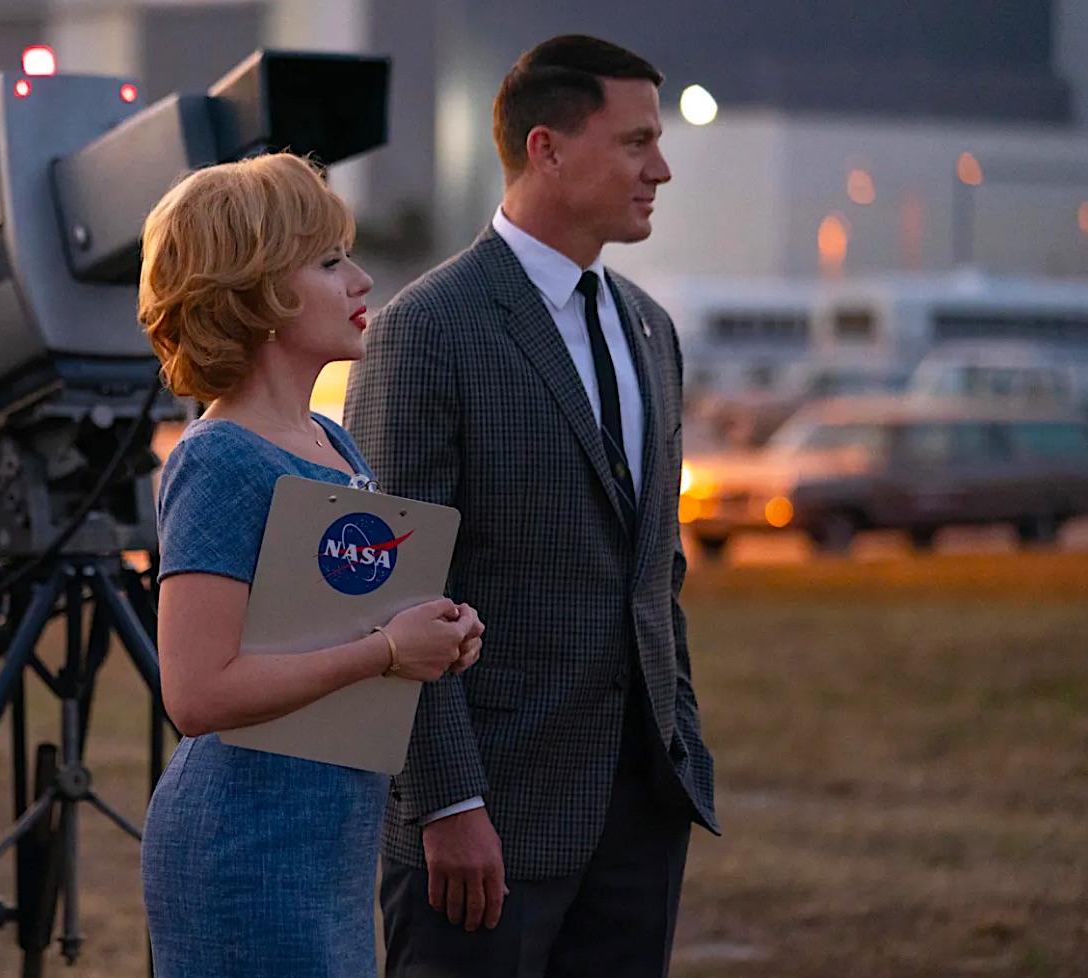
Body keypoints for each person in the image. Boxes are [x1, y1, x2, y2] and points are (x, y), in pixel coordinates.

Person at [345, 35, 719, 978]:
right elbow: (393, 590)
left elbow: (652, 569)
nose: (661, 168)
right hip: (486, 827)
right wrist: (446, 802)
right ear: (546, 149)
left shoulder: (649, 328)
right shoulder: (426, 331)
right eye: (636, 142)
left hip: (640, 813)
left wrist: (677, 742)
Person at [136, 152, 485, 978]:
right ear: (255, 290)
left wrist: (434, 637)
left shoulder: (331, 441)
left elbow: (325, 631)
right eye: (329, 262)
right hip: (244, 849)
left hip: (324, 847)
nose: (362, 280)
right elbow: (197, 694)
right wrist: (387, 651)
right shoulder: (219, 457)